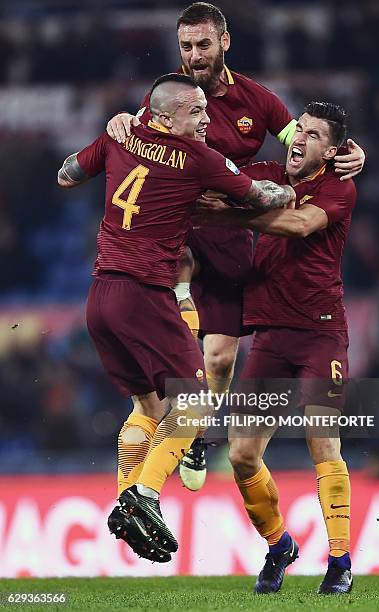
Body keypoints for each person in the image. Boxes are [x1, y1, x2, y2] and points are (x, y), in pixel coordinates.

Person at [106, 2, 366, 492]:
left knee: (222, 356)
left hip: (227, 231)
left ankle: (197, 433)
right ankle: (153, 433)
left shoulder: (260, 102)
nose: (194, 55)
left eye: (203, 44)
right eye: (186, 46)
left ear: (225, 42)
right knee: (163, 342)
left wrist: (352, 154)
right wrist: (120, 121)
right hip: (174, 224)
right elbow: (135, 139)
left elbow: (306, 151)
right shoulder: (167, 93)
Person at [57, 73, 296, 563]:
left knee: (148, 407)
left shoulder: (123, 136)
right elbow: (260, 197)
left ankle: (128, 499)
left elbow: (66, 173)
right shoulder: (199, 159)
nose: (208, 120)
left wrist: (118, 128)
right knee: (195, 400)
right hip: (144, 295)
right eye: (196, 112)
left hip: (100, 298)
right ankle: (144, 496)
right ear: (166, 116)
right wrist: (287, 192)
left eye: (207, 110)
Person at [197, 102, 355, 595]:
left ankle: (340, 561)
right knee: (242, 455)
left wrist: (241, 216)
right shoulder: (263, 173)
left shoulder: (338, 186)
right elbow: (214, 185)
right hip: (269, 336)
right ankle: (279, 543)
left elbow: (300, 224)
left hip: (320, 334)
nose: (298, 140)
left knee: (322, 441)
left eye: (311, 135)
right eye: (297, 131)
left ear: (330, 152)